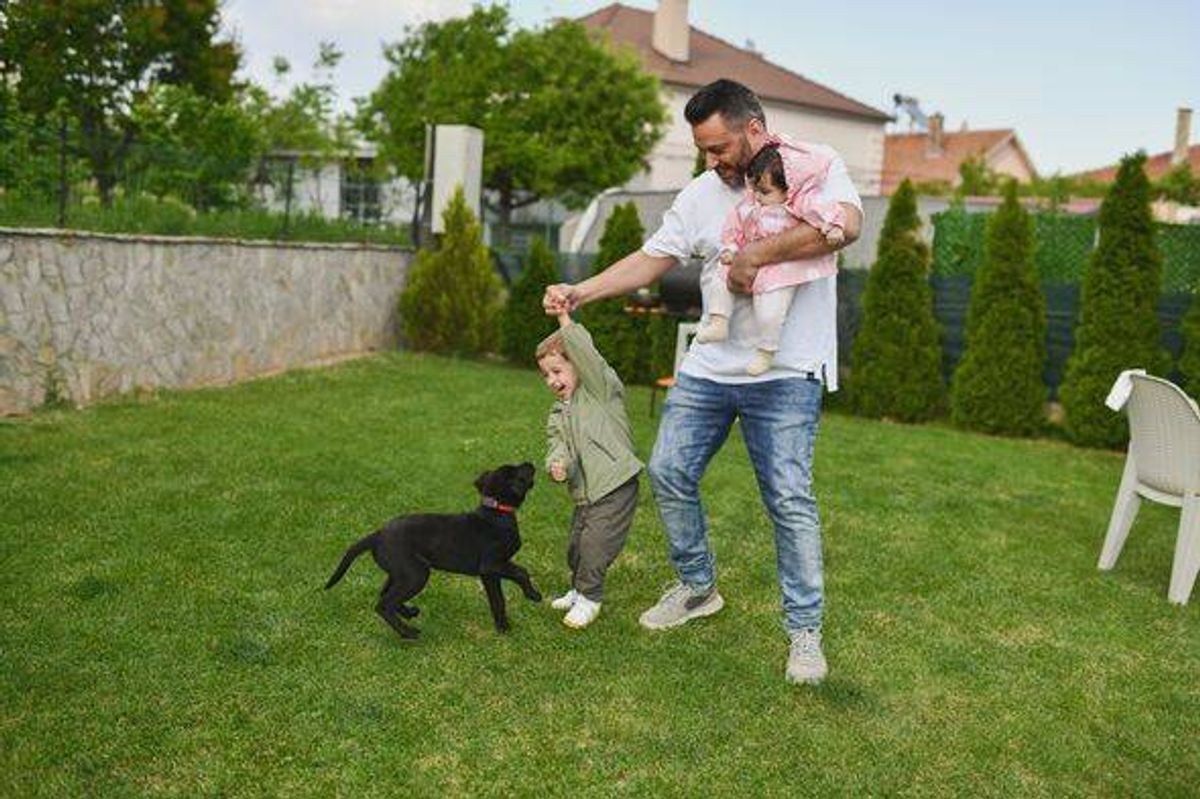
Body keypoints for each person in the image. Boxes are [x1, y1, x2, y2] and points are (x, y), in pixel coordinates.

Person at [542, 79, 862, 684]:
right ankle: (696, 586)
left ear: (755, 131)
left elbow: (846, 225)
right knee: (668, 471)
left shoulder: (812, 167)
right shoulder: (700, 194)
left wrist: (757, 256)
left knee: (789, 500)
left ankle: (805, 632)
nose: (711, 162)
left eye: (719, 149)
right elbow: (654, 256)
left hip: (786, 371)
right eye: (702, 151)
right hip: (710, 369)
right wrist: (581, 291)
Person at [699, 140, 847, 377]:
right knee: (720, 275)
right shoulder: (750, 204)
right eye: (755, 189)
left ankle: (766, 351)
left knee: (769, 311)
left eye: (765, 192)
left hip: (780, 269)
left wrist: (834, 227)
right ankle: (719, 321)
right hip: (746, 257)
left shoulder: (799, 202)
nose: (758, 197)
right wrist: (730, 247)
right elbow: (734, 226)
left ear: (788, 188)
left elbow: (825, 211)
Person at [535, 310, 642, 629]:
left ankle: (590, 598)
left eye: (557, 370)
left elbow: (585, 350)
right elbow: (557, 444)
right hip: (585, 492)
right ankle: (577, 587)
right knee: (576, 546)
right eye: (546, 375)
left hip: (615, 485)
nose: (553, 380)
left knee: (595, 545)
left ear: (578, 366)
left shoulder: (600, 389)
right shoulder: (558, 412)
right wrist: (557, 463)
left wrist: (565, 320)